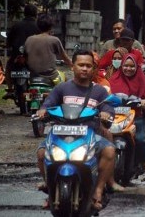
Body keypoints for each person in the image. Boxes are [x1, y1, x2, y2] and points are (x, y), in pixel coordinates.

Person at [35, 50, 122, 210]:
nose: (84, 68)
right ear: (73, 67)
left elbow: (108, 109)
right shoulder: (61, 88)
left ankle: (98, 190)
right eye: (81, 65)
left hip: (89, 136)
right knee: (41, 153)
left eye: (88, 65)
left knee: (109, 151)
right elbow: (48, 104)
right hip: (61, 134)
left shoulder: (99, 91)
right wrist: (42, 111)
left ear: (94, 69)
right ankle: (50, 189)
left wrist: (106, 114)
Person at [109, 53, 145, 181]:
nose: (128, 69)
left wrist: (144, 102)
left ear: (136, 67)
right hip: (116, 116)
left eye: (132, 66)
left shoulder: (141, 79)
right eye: (126, 66)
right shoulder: (114, 79)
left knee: (141, 140)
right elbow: (106, 94)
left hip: (135, 115)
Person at [3, 4, 41, 99]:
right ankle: (37, 89)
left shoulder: (16, 25)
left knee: (8, 67)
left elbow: (9, 42)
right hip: (33, 58)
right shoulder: (38, 27)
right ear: (35, 14)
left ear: (24, 13)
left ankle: (10, 89)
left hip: (17, 56)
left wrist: (7, 46)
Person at [24, 14, 72, 83]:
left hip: (33, 76)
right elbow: (64, 57)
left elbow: (25, 57)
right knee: (67, 82)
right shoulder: (54, 40)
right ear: (51, 26)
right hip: (51, 76)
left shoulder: (29, 39)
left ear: (38, 26)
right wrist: (72, 64)